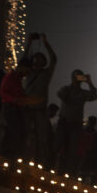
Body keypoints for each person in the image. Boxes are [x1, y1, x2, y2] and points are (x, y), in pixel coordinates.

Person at [21, 32, 57, 164]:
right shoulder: (28, 73)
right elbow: (23, 61)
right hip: (27, 109)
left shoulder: (46, 74)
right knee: (25, 135)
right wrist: (29, 42)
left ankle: (39, 163)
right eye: (35, 60)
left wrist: (46, 43)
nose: (37, 63)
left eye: (40, 61)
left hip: (40, 110)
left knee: (41, 138)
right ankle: (24, 159)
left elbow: (54, 59)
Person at [54, 69, 97, 174]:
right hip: (64, 121)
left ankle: (67, 172)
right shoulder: (66, 89)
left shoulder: (83, 93)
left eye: (79, 76)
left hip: (75, 124)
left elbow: (94, 96)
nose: (77, 78)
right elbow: (60, 94)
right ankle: (54, 168)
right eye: (75, 76)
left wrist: (89, 82)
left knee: (71, 150)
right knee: (57, 146)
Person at [0, 57, 27, 157]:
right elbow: (2, 92)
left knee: (15, 131)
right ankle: (6, 154)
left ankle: (10, 154)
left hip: (15, 107)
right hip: (10, 107)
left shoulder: (18, 80)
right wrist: (14, 99)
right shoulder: (10, 77)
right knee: (12, 131)